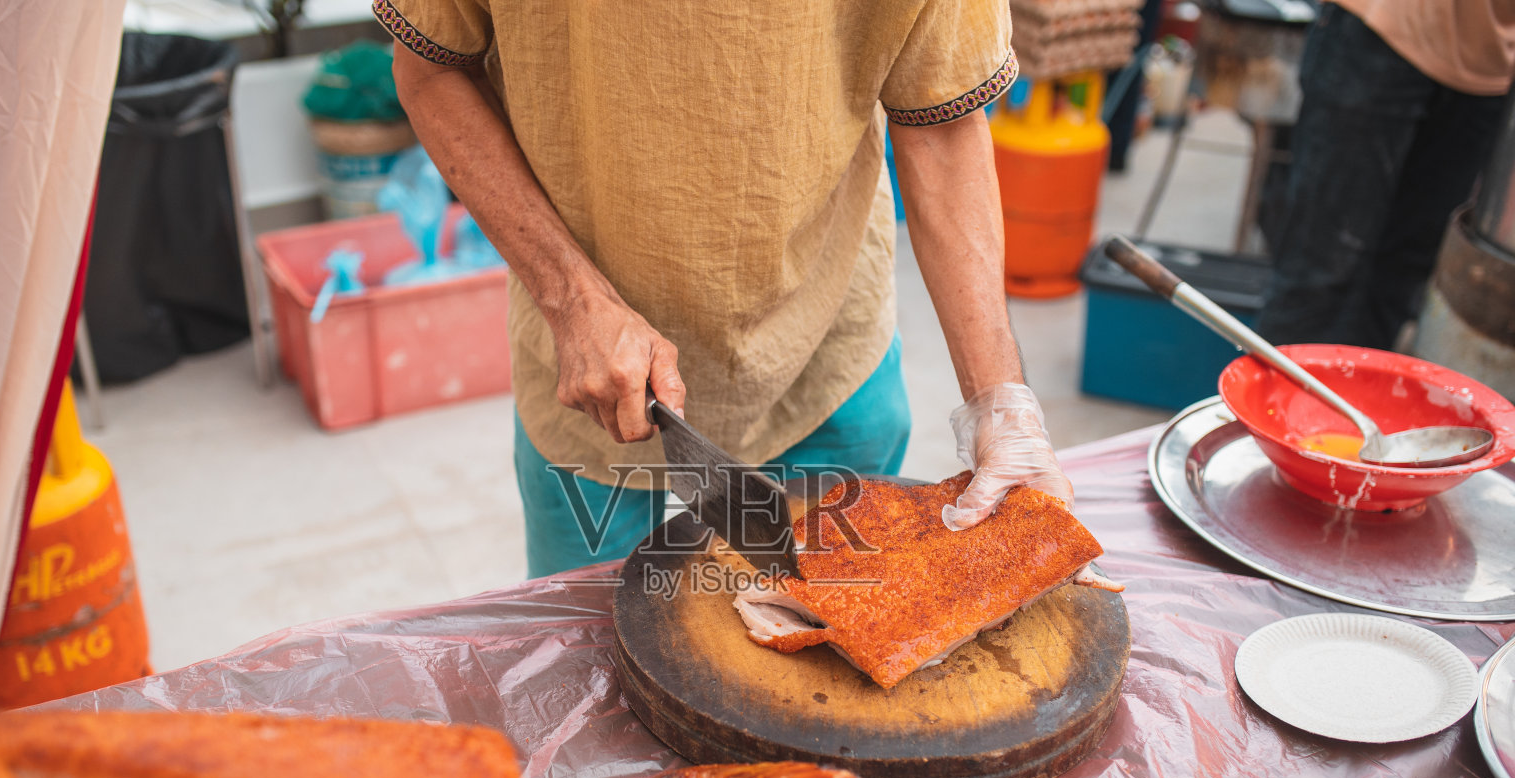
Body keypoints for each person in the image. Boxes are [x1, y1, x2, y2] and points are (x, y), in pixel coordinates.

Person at [379, 0, 1070, 577]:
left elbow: (942, 119)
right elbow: (429, 67)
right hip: (589, 379)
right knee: (595, 676)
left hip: (826, 349)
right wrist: (571, 297)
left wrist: (1001, 403)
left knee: (844, 643)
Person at [1257, 0, 1515, 350]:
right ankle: (1277, 401)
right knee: (1317, 269)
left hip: (1489, 64)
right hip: (1380, 29)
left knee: (1400, 277)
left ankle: (1354, 401)